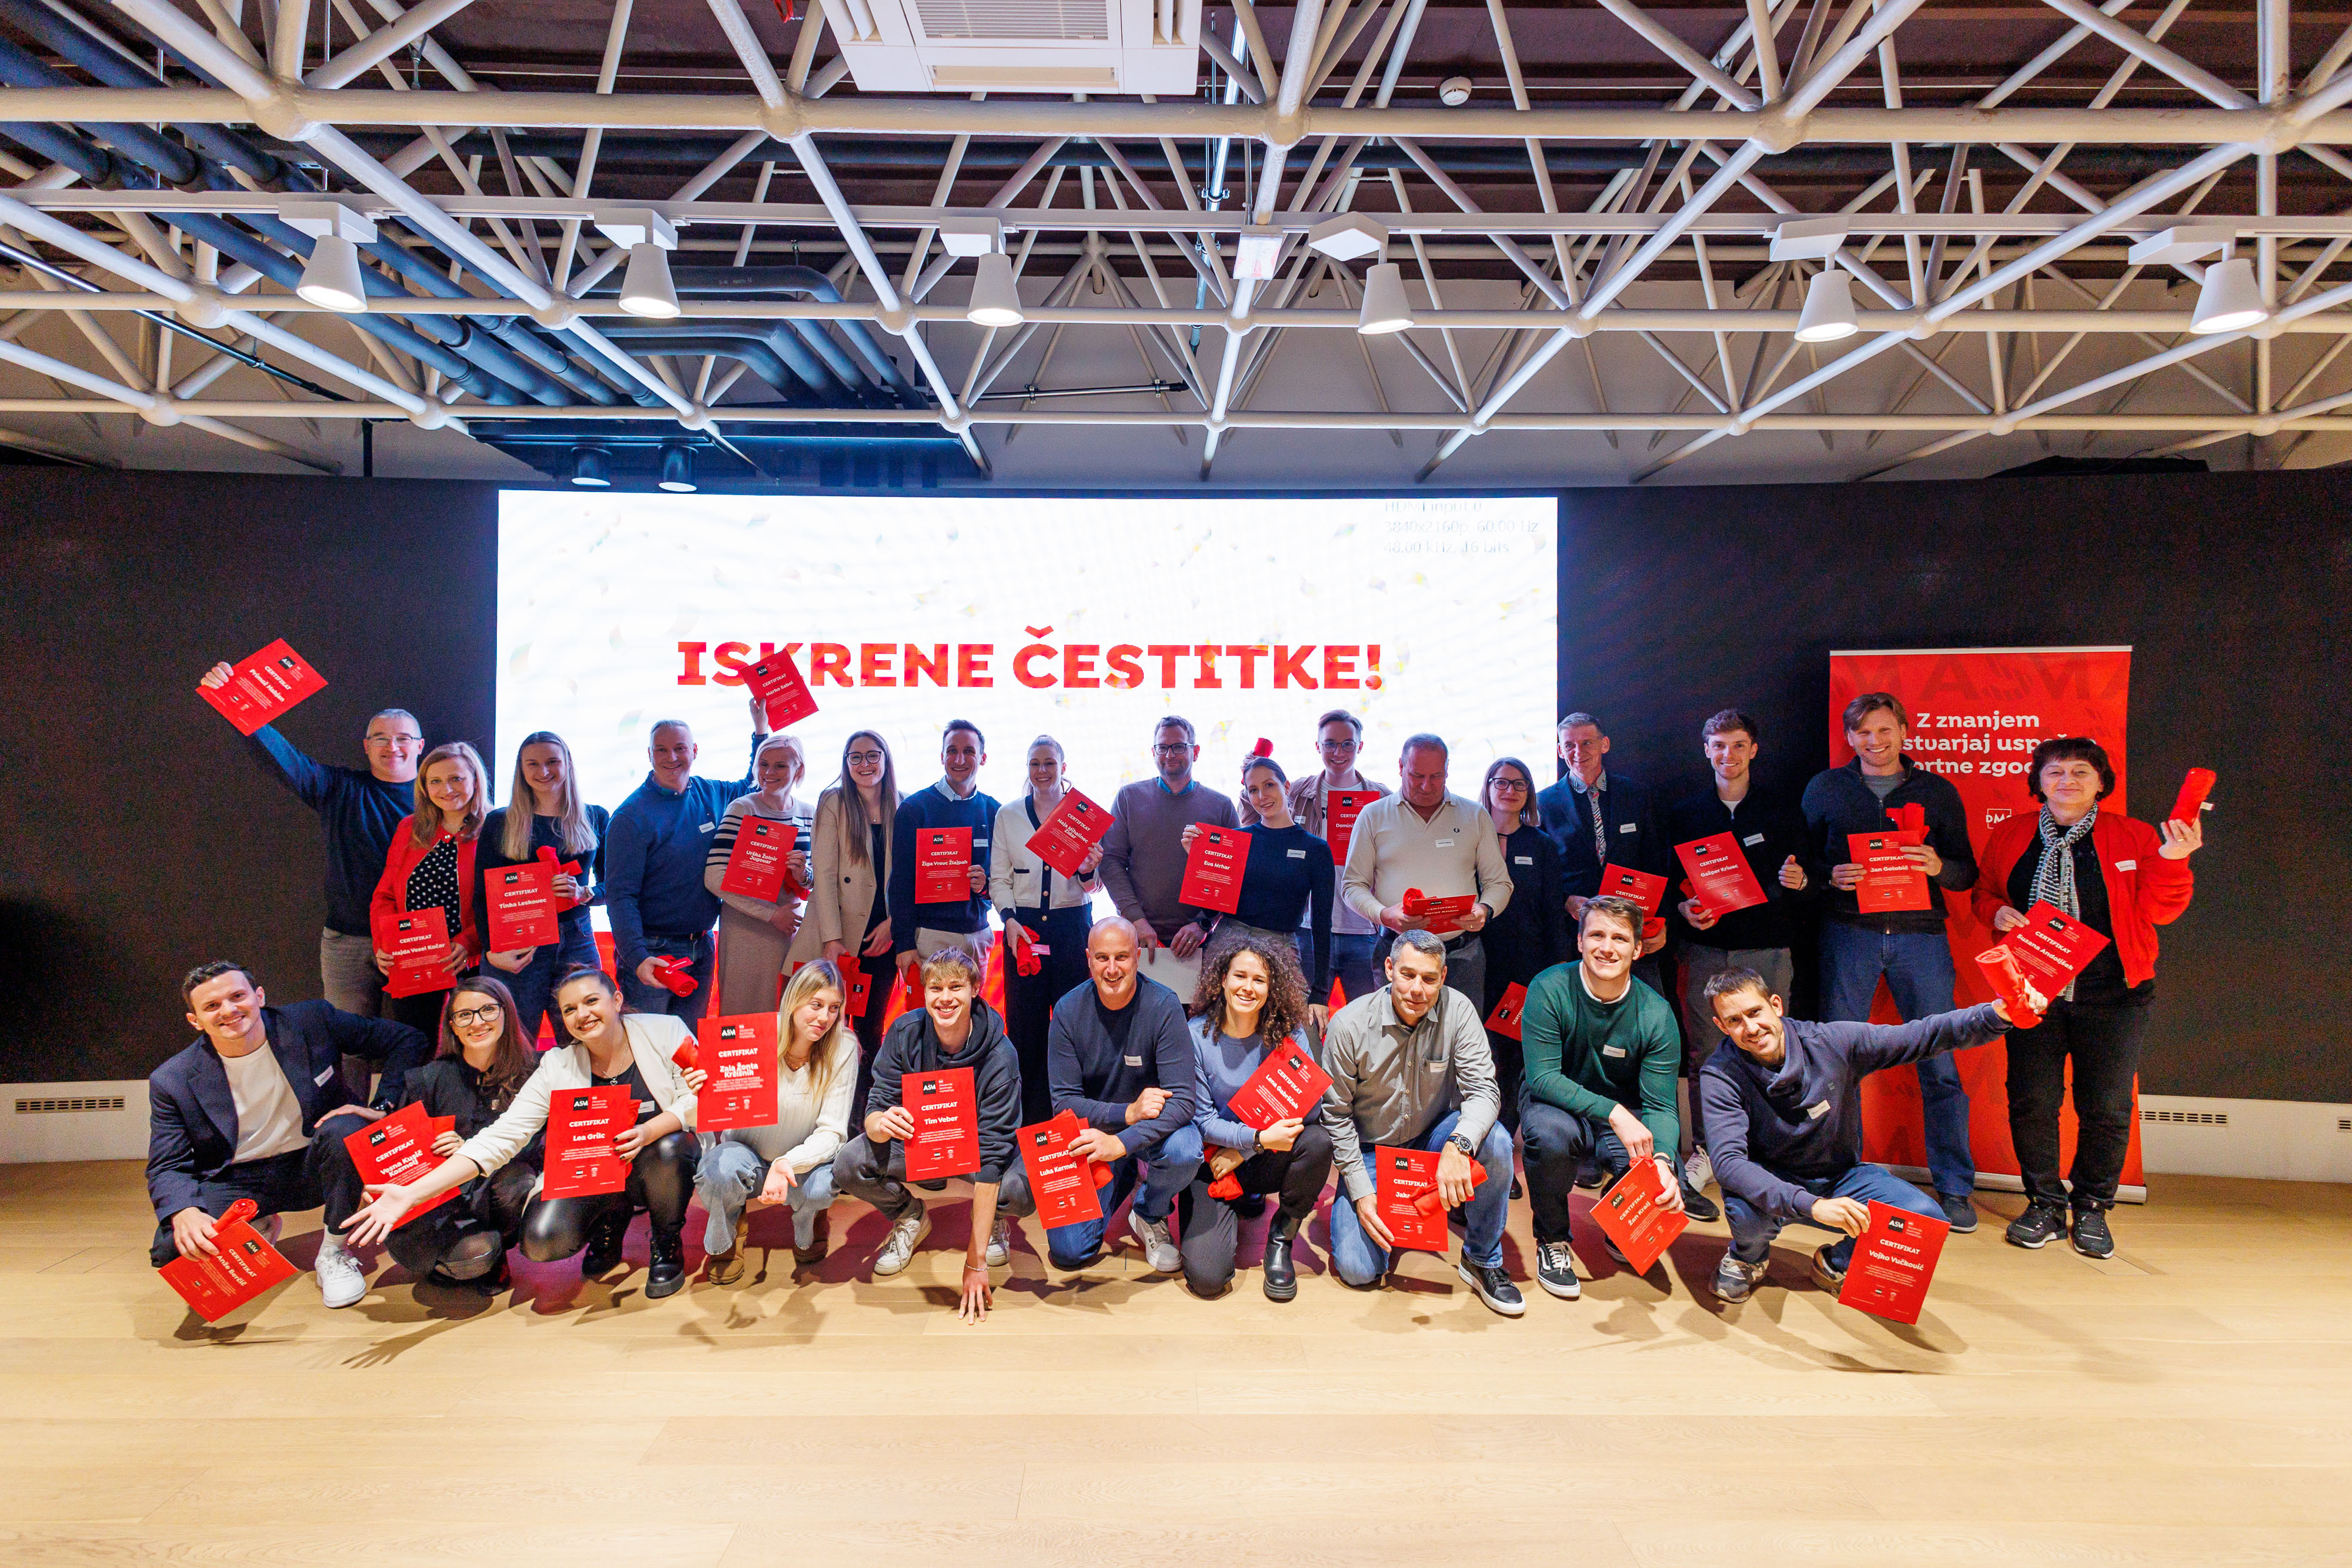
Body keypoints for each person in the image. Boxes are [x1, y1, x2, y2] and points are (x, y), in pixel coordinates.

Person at [342, 965, 703, 1299]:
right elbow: (503, 1135)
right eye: (570, 1009)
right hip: (593, 1175)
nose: (582, 1014)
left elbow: (702, 1097)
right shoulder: (557, 1065)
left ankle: (666, 1241)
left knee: (669, 1147)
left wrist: (649, 1130)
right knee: (542, 1242)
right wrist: (412, 1193)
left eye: (592, 1001)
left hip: (660, 1162)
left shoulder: (666, 1031)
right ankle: (611, 1216)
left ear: (617, 1000)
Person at [1975, 736, 2200, 1259]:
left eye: (2081, 771)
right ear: (2039, 781)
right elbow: (1985, 892)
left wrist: (2174, 858)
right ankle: (2045, 1204)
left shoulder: (2133, 835)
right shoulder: (2010, 833)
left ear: (2101, 782)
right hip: (2033, 994)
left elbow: (2162, 910)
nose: (2068, 780)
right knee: (2032, 1100)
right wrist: (1995, 912)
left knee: (2105, 1106)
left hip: (2115, 993)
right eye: (2055, 771)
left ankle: (2093, 1206)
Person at [1696, 968, 2021, 1303]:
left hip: (1839, 1177)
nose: (1751, 1028)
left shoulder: (1832, 1042)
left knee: (1922, 1218)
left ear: (1776, 1005)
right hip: (1772, 1180)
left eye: (1755, 1012)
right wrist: (1812, 1205)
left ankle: (1835, 1262)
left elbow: (1922, 1035)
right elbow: (1729, 1164)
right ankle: (1748, 1257)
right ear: (1721, 1026)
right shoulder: (1720, 1075)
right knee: (1746, 1215)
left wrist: (1995, 1015)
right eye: (1734, 1021)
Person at [148, 961, 431, 1310]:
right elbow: (166, 1164)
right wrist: (183, 1211)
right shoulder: (172, 1080)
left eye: (237, 996)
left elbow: (407, 1039)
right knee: (173, 1250)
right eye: (212, 1006)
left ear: (259, 996)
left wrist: (385, 1107)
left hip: (317, 1163)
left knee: (347, 1129)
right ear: (196, 1021)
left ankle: (334, 1251)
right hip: (239, 1180)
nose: (229, 1010)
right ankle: (258, 1223)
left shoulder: (311, 1021)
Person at [1801, 692, 1982, 1231]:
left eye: (1884, 730)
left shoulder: (1937, 791)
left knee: (1940, 1059)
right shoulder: (1825, 787)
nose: (1874, 742)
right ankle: (1840, 1179)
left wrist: (1938, 865)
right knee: (1837, 1064)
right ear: (1849, 737)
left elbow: (1967, 873)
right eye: (1863, 732)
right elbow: (1802, 864)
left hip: (1920, 939)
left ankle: (1955, 1187)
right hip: (1847, 935)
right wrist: (1829, 876)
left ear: (1904, 731)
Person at [197, 661, 420, 1030]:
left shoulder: (440, 799)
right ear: (366, 747)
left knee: (420, 1038)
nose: (392, 747)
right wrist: (232, 697)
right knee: (348, 1042)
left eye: (403, 739)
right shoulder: (339, 788)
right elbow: (282, 759)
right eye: (380, 738)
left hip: (416, 936)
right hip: (348, 940)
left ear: (420, 746)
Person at [1318, 930, 1522, 1315]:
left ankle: (1482, 1259)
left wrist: (1458, 1145)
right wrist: (1361, 1192)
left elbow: (1484, 1091)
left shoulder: (1459, 1010)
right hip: (1371, 1152)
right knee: (1359, 1270)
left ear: (1443, 976)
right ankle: (1399, 1209)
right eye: (1408, 975)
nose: (1417, 989)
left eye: (1429, 979)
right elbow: (1336, 1116)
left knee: (1496, 1142)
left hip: (1433, 1140)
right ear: (1389, 968)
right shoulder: (1349, 1024)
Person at [830, 948, 1035, 1324]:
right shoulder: (904, 1032)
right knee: (848, 1165)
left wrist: (974, 1262)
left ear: (975, 989)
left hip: (979, 1151)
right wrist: (879, 1123)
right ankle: (909, 1215)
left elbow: (994, 1155)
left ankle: (992, 1222)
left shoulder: (1001, 1054)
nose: (945, 998)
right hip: (922, 1144)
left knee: (1021, 1191)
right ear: (924, 992)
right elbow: (877, 1102)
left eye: (956, 987)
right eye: (935, 988)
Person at [1665, 710, 1809, 1203]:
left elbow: (1809, 877)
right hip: (1707, 951)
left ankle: (1771, 1148)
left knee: (1773, 1048)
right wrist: (1683, 908)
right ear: (1706, 750)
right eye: (1719, 745)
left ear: (1754, 750)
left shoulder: (1782, 809)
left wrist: (1802, 881)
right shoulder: (1685, 813)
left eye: (1739, 745)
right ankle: (1709, 1148)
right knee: (1706, 1052)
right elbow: (1671, 885)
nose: (1729, 754)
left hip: (1768, 950)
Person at [1516, 895, 1688, 1301]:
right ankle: (1553, 1239)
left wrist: (1663, 1161)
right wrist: (1614, 1112)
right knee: (1550, 1137)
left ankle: (1620, 1224)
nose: (1607, 948)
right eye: (1596, 935)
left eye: (1620, 938)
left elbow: (1662, 1107)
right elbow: (1543, 1078)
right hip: (1556, 1104)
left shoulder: (1656, 1013)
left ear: (1638, 949)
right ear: (1579, 941)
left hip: (1624, 1111)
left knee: (1658, 1160)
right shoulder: (1548, 987)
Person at [323, 974, 542, 1293]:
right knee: (464, 1257)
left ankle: (495, 1253)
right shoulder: (429, 1079)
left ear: (506, 1013)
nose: (477, 1022)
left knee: (519, 1179)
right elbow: (401, 1148)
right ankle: (461, 1260)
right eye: (464, 1015)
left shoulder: (534, 1074)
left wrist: (469, 1148)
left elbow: (542, 1145)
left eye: (488, 1010)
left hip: (494, 1190)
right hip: (437, 1202)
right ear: (453, 1026)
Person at [1042, 918, 1202, 1274]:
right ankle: (1126, 1174)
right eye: (1102, 958)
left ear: (1138, 957)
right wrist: (1127, 1114)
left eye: (1122, 957)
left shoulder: (1164, 1005)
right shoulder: (1067, 1010)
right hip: (1092, 1134)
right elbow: (1063, 1102)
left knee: (1186, 1150)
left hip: (1151, 1131)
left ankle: (1149, 1211)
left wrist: (1122, 1143)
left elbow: (1183, 1102)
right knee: (1070, 1252)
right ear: (1088, 959)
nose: (1112, 969)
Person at [1180, 934, 1332, 1300]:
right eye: (1240, 976)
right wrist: (1255, 1141)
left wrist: (1248, 1149)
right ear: (1222, 980)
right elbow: (1202, 1120)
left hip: (1258, 1154)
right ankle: (1231, 1206)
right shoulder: (1195, 1034)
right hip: (1213, 1162)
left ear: (1271, 987)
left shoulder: (1290, 1032)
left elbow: (1309, 1108)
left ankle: (1281, 1238)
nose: (1248, 987)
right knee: (1208, 1279)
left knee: (1317, 1142)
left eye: (1259, 980)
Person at [605, 698, 770, 1024]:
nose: (672, 757)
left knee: (689, 1045)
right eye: (662, 750)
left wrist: (760, 729)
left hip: (702, 947)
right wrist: (638, 958)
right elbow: (620, 896)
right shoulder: (630, 816)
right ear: (649, 755)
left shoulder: (711, 793)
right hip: (653, 952)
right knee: (648, 1044)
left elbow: (754, 784)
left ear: (694, 751)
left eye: (680, 749)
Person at [696, 959, 859, 1283]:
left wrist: (788, 1163)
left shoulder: (844, 1047)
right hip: (746, 1154)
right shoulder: (754, 1035)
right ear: (793, 1000)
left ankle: (809, 1220)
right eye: (816, 1005)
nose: (825, 1018)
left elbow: (832, 1132)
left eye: (834, 1008)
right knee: (717, 1172)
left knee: (821, 1188)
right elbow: (710, 1114)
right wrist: (700, 1095)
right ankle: (729, 1233)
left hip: (802, 1162)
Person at [1339, 733, 1512, 1014]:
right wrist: (1384, 914)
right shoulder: (1373, 815)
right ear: (1400, 767)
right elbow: (1352, 886)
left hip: (1461, 956)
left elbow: (1500, 883)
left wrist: (1485, 909)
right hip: (1396, 953)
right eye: (1417, 775)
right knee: (1393, 1036)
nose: (1426, 786)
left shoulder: (1475, 815)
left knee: (1460, 1037)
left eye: (1436, 776)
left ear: (1447, 770)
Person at [989, 735, 1104, 1125]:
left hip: (1072, 928)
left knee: (1077, 1024)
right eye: (1035, 763)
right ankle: (1032, 1125)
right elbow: (999, 878)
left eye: (1050, 763)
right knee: (1026, 1028)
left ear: (1063, 767)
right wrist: (1009, 920)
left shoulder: (1082, 815)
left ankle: (1078, 1118)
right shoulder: (1008, 815)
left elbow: (1094, 888)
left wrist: (1088, 869)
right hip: (1022, 931)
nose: (1042, 771)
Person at [1241, 709, 1389, 1008]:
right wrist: (1251, 777)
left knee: (1368, 1019)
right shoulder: (1298, 791)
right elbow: (1254, 823)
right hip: (1309, 929)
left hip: (1363, 929)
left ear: (1360, 746)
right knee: (1303, 1017)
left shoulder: (1381, 797)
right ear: (1318, 746)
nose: (1339, 752)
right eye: (1330, 744)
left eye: (1347, 744)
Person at [475, 731, 606, 1047]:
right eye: (532, 764)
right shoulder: (500, 822)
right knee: (513, 1044)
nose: (543, 771)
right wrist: (491, 950)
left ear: (568, 764)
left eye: (552, 762)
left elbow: (613, 887)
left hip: (576, 940)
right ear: (521, 769)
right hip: (518, 943)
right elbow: (482, 894)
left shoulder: (595, 816)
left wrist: (584, 893)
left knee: (586, 1041)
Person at [1185, 750, 1335, 1026]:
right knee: (1216, 1028)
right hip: (1228, 943)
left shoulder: (1316, 850)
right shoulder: (1236, 841)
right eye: (1253, 790)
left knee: (1300, 1035)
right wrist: (1198, 861)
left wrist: (1320, 992)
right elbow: (1211, 908)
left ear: (1286, 786)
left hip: (1281, 948)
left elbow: (1322, 925)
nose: (1262, 796)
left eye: (1269, 785)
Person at [1097, 715, 1240, 995]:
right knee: (1140, 1018)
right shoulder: (1128, 798)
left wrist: (1203, 924)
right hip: (1139, 940)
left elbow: (1232, 878)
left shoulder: (1221, 806)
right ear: (1153, 753)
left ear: (1195, 752)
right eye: (1162, 748)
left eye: (1178, 747)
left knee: (1194, 1020)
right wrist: (1136, 920)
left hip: (1200, 944)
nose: (1169, 755)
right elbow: (1111, 863)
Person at [369, 741, 490, 1037]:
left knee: (475, 1044)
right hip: (414, 960)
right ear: (424, 787)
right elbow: (385, 895)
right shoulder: (409, 829)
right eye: (435, 781)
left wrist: (469, 942)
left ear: (475, 780)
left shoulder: (496, 829)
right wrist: (385, 945)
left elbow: (500, 901)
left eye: (456, 778)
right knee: (414, 1043)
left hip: (472, 962)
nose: (446, 789)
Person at [804, 730, 898, 1109]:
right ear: (846, 763)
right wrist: (832, 939)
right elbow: (825, 875)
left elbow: (906, 876)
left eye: (873, 755)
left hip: (884, 937)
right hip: (843, 935)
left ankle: (864, 1112)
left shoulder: (902, 804)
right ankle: (824, 1112)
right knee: (828, 1028)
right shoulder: (833, 802)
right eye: (855, 757)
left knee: (871, 1029)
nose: (864, 764)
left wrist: (894, 924)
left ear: (886, 759)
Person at [1477, 755, 1568, 1134]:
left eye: (1519, 784)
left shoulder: (1541, 845)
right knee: (1477, 1051)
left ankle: (1502, 1134)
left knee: (1513, 1054)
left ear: (1529, 792)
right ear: (1488, 787)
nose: (1510, 790)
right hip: (1475, 961)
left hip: (1525, 965)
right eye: (1501, 782)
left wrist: (1556, 971)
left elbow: (1553, 913)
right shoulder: (1470, 840)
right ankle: (1472, 1131)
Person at [704, 733, 816, 1017]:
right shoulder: (743, 809)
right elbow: (714, 876)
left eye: (780, 766)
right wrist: (771, 914)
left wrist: (803, 874)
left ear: (799, 770)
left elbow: (819, 880)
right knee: (744, 1018)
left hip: (792, 930)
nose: (769, 772)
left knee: (789, 1016)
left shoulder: (810, 814)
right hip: (747, 930)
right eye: (763, 764)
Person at [1535, 711, 1673, 940]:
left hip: (1631, 925)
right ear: (1560, 751)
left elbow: (1655, 862)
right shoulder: (1544, 803)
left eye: (1587, 743)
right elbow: (1540, 872)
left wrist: (1662, 922)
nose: (1578, 752)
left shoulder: (1637, 795)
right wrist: (1565, 900)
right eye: (1569, 745)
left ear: (1605, 744)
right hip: (1573, 929)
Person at [888, 720, 999, 981]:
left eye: (969, 751)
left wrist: (985, 886)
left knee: (974, 1008)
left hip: (978, 936)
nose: (959, 759)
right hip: (930, 937)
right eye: (952, 751)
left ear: (983, 758)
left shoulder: (994, 811)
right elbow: (901, 882)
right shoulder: (915, 809)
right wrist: (904, 943)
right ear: (942, 757)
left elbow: (1003, 879)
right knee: (930, 1008)